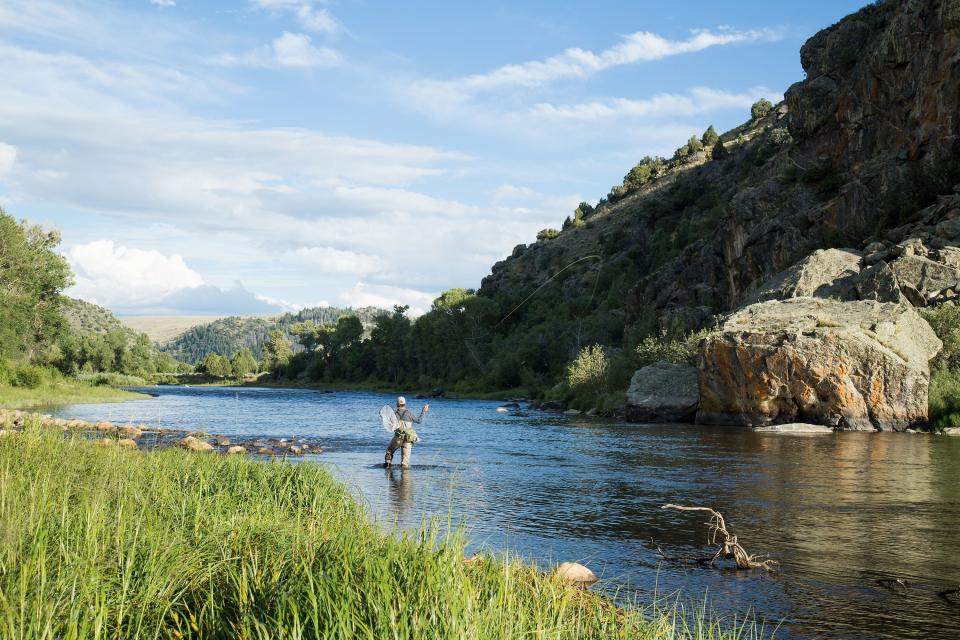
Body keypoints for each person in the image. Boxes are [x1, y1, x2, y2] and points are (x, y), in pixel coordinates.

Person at [384, 396, 428, 469]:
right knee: (405, 463)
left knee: (389, 451)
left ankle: (388, 471)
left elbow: (389, 425)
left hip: (397, 438)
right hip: (408, 439)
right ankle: (405, 477)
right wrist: (423, 411)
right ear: (405, 404)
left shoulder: (394, 413)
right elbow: (419, 421)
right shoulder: (409, 413)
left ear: (397, 404)